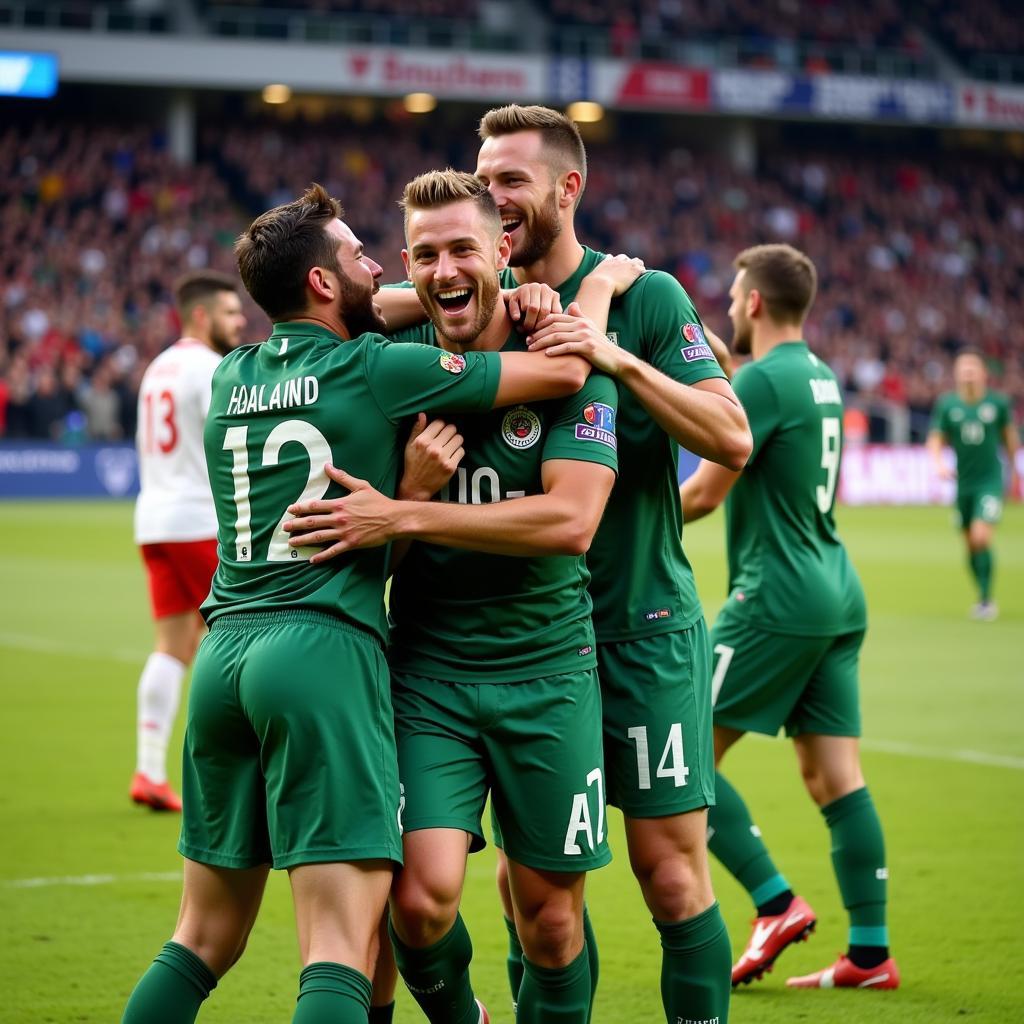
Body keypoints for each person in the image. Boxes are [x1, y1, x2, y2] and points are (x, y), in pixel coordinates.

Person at [119, 183, 598, 1024]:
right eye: (357, 258)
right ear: (323, 285)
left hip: (224, 654)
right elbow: (561, 367)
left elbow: (353, 313)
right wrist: (590, 290)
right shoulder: (375, 369)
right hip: (318, 657)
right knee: (340, 949)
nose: (378, 269)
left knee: (198, 940)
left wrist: (400, 491)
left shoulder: (231, 375)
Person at [284, 169, 641, 1024]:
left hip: (550, 672)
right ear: (406, 265)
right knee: (418, 903)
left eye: (464, 250)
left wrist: (407, 507)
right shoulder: (389, 380)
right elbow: (372, 549)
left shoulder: (568, 360)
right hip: (429, 673)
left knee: (552, 925)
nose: (447, 271)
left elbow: (570, 523)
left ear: (503, 250)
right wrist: (407, 488)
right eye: (428, 254)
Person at [476, 104, 750, 1024]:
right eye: (483, 180)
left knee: (672, 877)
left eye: (510, 180)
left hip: (642, 627)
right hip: (522, 650)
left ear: (567, 187)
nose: (492, 197)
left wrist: (615, 359)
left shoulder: (648, 298)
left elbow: (731, 437)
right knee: (532, 902)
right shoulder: (477, 303)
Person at [680, 243, 900, 991]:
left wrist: (623, 527)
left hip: (775, 598)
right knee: (834, 777)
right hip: (837, 591)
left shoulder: (765, 381)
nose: (732, 304)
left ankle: (774, 901)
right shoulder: (816, 373)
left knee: (678, 752)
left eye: (735, 293)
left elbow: (706, 492)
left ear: (753, 304)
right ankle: (870, 956)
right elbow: (750, 393)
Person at [130, 270, 246, 811]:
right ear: (201, 316)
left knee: (174, 646)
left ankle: (149, 770)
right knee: (245, 637)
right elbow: (231, 445)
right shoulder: (211, 368)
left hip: (154, 520)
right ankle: (234, 772)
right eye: (230, 312)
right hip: (199, 520)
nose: (240, 321)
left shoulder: (158, 368)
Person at [927, 350, 1019, 620]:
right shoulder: (947, 405)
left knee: (981, 536)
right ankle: (982, 593)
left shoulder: (998, 404)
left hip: (989, 481)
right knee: (970, 544)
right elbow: (935, 439)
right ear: (956, 374)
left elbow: (1010, 439)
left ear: (983, 373)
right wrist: (939, 463)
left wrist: (1015, 472)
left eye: (972, 367)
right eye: (963, 367)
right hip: (963, 484)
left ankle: (987, 599)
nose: (967, 372)